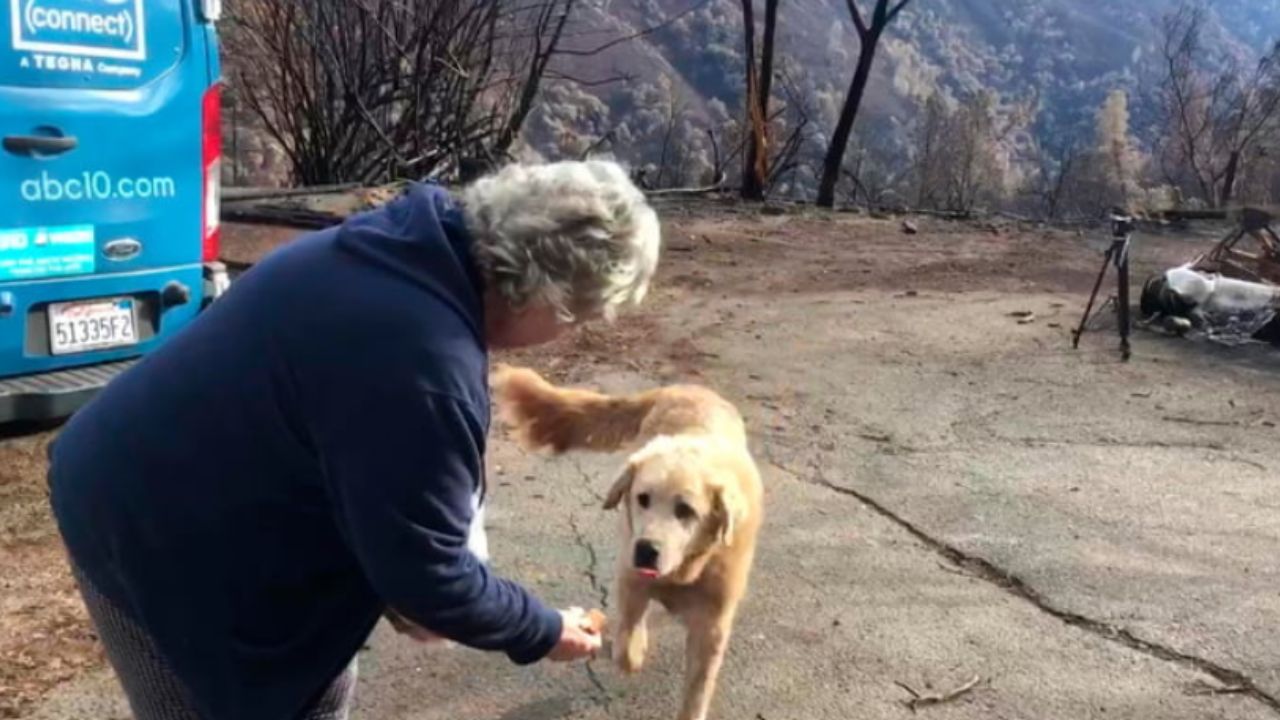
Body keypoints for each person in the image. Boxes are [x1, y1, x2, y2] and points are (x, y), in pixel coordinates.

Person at [47, 159, 662, 720]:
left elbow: (395, 513)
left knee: (316, 681)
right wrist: (543, 629)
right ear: (545, 295)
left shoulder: (409, 242)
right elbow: (430, 580)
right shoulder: (422, 364)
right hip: (146, 526)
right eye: (576, 318)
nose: (566, 334)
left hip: (183, 483)